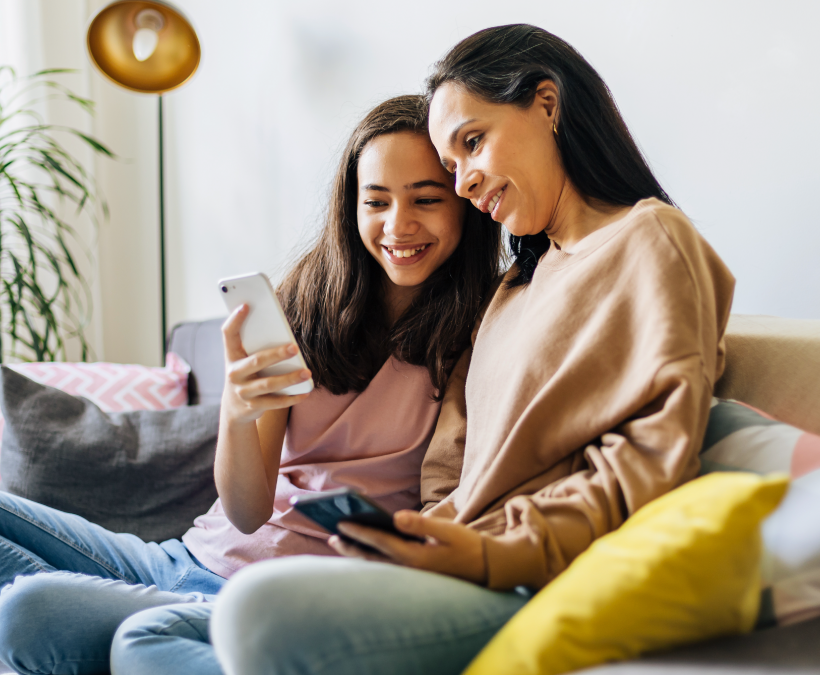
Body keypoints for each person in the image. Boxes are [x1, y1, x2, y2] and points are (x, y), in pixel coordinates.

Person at [186, 24, 737, 675]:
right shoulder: (515, 287)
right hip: (446, 562)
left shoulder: (649, 240)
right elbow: (451, 461)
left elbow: (647, 467)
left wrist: (482, 555)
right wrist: (423, 535)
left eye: (472, 144)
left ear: (547, 104)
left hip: (517, 575)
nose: (467, 182)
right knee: (133, 629)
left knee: (247, 613)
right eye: (453, 167)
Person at [0, 94, 501, 675]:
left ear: (462, 205)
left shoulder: (480, 334)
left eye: (425, 200)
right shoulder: (298, 306)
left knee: (22, 616)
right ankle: (127, 619)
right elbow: (244, 512)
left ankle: (114, 621)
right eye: (376, 202)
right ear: (352, 207)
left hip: (277, 596)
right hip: (179, 561)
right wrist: (237, 409)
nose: (399, 225)